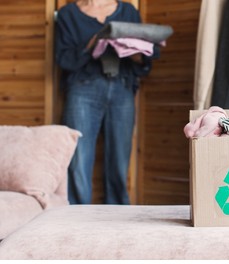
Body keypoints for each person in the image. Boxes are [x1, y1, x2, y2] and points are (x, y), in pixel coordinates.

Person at [55, 0, 158, 204]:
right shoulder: (68, 14)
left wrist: (135, 54)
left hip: (122, 87)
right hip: (83, 89)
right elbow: (63, 59)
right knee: (79, 160)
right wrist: (92, 45)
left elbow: (144, 61)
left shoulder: (128, 11)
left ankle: (118, 221)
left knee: (119, 161)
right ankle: (76, 220)